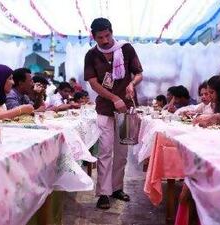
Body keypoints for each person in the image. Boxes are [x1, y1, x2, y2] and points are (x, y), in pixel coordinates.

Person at [84, 18, 143, 209]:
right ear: (94, 37)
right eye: (100, 37)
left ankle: (117, 188)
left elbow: (139, 73)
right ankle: (103, 192)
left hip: (126, 108)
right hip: (104, 109)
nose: (105, 40)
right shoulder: (91, 55)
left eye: (107, 35)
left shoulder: (126, 49)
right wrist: (113, 98)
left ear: (112, 31)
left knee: (122, 153)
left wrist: (132, 84)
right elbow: (93, 83)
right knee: (105, 151)